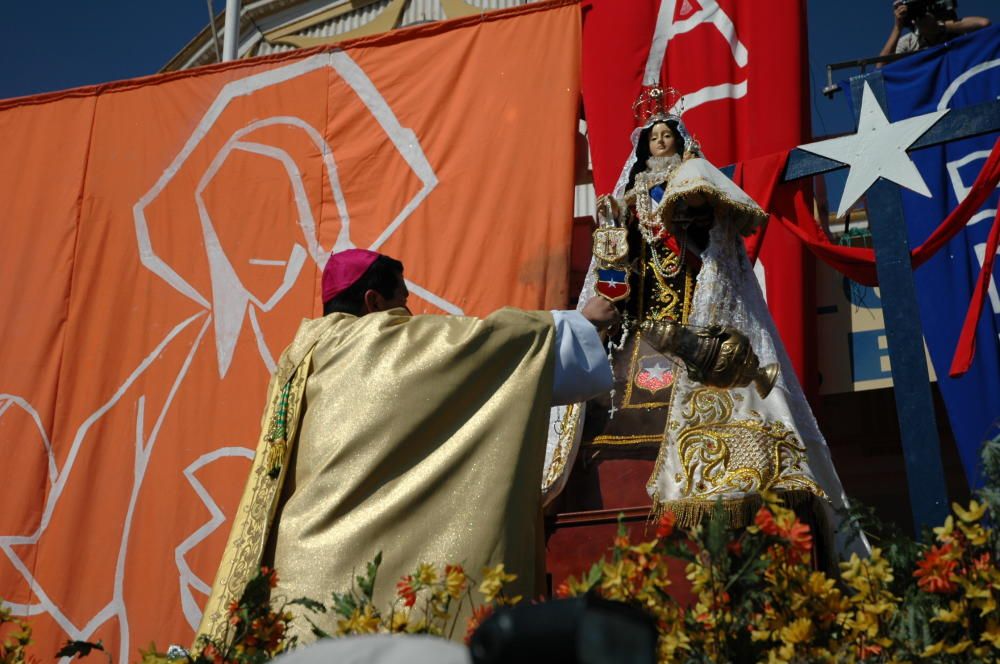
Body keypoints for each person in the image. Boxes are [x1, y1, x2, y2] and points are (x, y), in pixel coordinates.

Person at [196, 248, 621, 644]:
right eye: (402, 302)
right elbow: (485, 346)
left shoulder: (302, 356)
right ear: (373, 301)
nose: (409, 315)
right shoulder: (379, 340)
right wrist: (582, 323)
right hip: (356, 583)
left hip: (301, 575)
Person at [543, 87, 863, 557]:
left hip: (690, 297)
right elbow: (618, 251)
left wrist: (689, 217)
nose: (658, 142)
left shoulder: (695, 182)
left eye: (665, 135)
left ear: (679, 141)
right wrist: (617, 228)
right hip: (646, 298)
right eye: (651, 137)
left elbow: (717, 241)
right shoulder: (631, 192)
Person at [880, 0, 990, 57]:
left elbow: (984, 24)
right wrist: (898, 27)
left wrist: (940, 27)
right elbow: (880, 68)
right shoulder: (908, 42)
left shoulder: (956, 32)